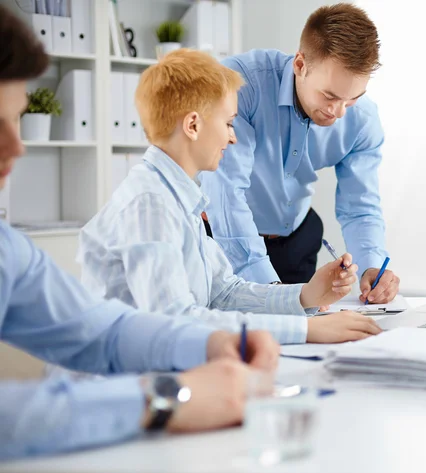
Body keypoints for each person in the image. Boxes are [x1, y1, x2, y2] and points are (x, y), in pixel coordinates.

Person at [0, 5, 278, 460]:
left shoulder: (7, 249)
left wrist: (214, 343)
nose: (19, 146)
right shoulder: (149, 200)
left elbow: (101, 332)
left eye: (15, 120)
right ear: (193, 124)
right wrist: (168, 398)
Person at [78, 48, 382, 345]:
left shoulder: (180, 199)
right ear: (193, 125)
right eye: (228, 123)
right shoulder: (149, 205)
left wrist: (306, 295)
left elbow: (224, 292)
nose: (233, 137)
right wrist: (306, 330)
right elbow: (175, 321)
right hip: (123, 384)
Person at [200, 3, 400, 305]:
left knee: (299, 344)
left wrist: (372, 265)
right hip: (224, 239)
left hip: (297, 240)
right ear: (300, 65)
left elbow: (360, 206)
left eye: (353, 98)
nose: (339, 112)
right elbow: (227, 196)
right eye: (330, 96)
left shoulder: (363, 120)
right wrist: (269, 292)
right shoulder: (239, 85)